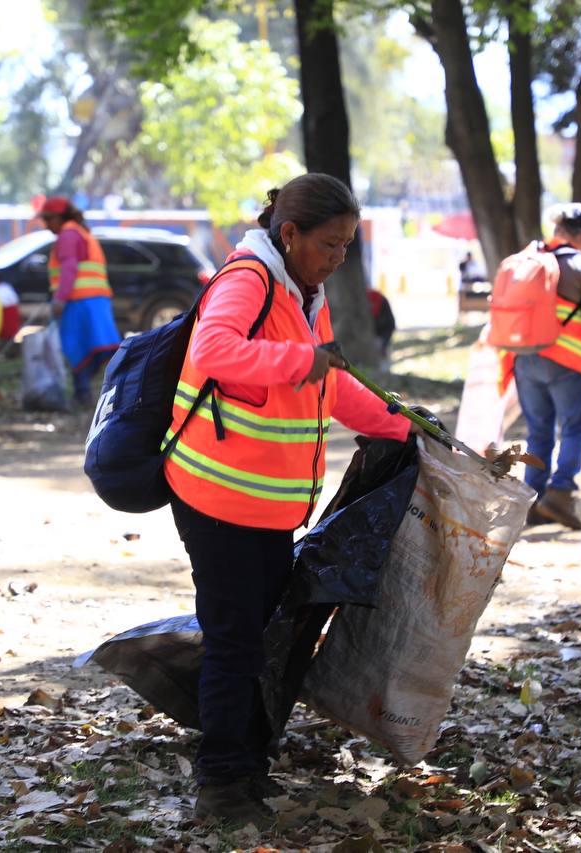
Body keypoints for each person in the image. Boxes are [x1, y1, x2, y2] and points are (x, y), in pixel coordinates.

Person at [164, 174, 411, 827]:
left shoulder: (308, 293)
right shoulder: (250, 279)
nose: (335, 258)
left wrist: (404, 425)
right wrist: (299, 362)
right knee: (235, 638)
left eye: (346, 247)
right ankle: (221, 784)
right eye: (327, 244)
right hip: (216, 495)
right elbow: (217, 350)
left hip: (267, 506)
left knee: (258, 636)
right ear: (290, 233)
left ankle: (247, 766)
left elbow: (332, 387)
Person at [514, 203, 581, 530]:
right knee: (575, 427)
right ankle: (560, 493)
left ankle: (533, 498)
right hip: (566, 362)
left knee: (538, 431)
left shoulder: (531, 260)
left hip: (525, 360)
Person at [37, 196, 120, 405]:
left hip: (79, 302)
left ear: (59, 217)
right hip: (95, 300)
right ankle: (85, 391)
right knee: (100, 346)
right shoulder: (80, 232)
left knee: (77, 349)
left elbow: (69, 268)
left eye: (48, 219)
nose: (46, 225)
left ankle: (83, 392)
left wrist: (59, 299)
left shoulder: (68, 235)